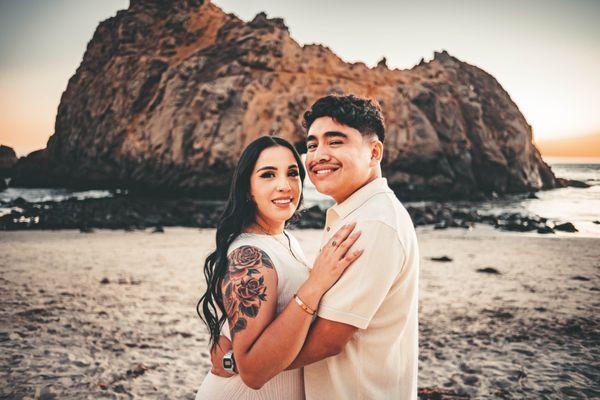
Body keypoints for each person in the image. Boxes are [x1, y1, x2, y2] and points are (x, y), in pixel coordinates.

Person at [210, 94, 420, 399]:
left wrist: (240, 361)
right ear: (247, 187)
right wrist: (233, 339)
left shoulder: (373, 224)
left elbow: (327, 340)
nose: (319, 155)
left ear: (374, 152)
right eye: (311, 145)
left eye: (335, 142)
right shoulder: (350, 217)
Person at [195, 135, 364, 399]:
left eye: (293, 173)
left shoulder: (286, 240)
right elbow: (252, 372)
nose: (284, 185)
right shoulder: (249, 255)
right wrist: (315, 284)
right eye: (268, 175)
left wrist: (230, 357)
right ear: (247, 188)